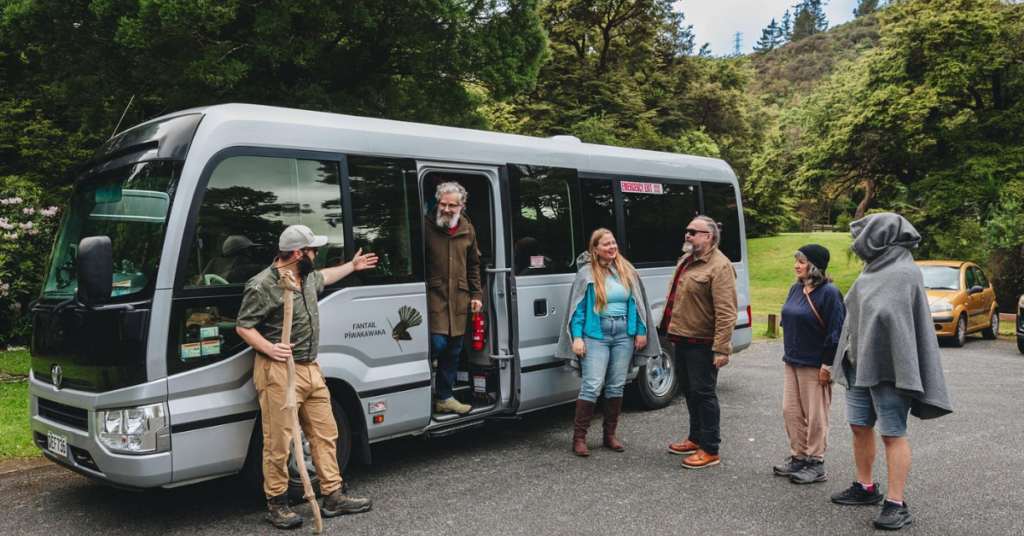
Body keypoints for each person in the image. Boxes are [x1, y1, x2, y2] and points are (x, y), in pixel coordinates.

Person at [236, 224, 377, 530]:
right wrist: (270, 348)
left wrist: (352, 266)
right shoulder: (262, 285)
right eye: (313, 249)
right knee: (278, 441)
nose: (317, 253)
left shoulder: (308, 276)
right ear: (299, 253)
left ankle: (332, 494)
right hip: (278, 372)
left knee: (326, 433)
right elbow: (244, 326)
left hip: (311, 368)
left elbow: (326, 275)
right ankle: (276, 503)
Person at [828, 213, 952, 531]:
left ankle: (897, 504)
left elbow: (896, 323)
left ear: (881, 235)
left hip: (889, 369)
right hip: (858, 364)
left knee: (892, 433)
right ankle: (865, 486)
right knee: (858, 425)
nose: (859, 242)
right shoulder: (873, 268)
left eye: (865, 234)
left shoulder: (904, 272)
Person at [555, 229, 661, 457]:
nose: (612, 247)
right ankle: (579, 438)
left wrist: (641, 331)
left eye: (613, 243)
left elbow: (638, 303)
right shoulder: (586, 274)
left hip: (624, 333)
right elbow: (577, 310)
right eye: (606, 244)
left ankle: (609, 435)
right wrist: (577, 337)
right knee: (592, 385)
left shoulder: (627, 270)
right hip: (596, 335)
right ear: (595, 249)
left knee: (616, 385)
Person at [663, 215, 737, 469]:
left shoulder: (720, 266)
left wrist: (721, 348)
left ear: (708, 236)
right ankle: (695, 439)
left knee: (704, 394)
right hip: (682, 339)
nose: (687, 235)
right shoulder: (687, 260)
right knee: (689, 391)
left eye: (693, 232)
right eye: (687, 230)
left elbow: (727, 312)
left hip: (703, 342)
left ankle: (710, 448)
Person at [772, 245, 845, 484]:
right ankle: (799, 458)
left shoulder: (829, 293)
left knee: (816, 416)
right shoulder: (797, 289)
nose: (796, 265)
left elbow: (836, 331)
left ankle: (816, 463)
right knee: (790, 412)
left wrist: (828, 366)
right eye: (797, 261)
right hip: (792, 360)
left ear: (814, 265)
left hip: (816, 364)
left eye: (801, 262)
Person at [425, 181, 483, 414]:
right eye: (442, 204)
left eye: (451, 205)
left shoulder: (467, 229)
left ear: (462, 206)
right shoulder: (426, 225)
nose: (446, 209)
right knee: (437, 343)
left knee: (454, 349)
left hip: (459, 297)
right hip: (434, 296)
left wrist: (477, 294)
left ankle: (445, 396)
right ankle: (424, 389)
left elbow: (473, 265)